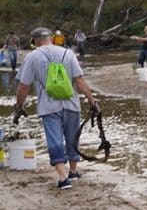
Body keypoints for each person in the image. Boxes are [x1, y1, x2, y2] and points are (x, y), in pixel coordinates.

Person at [13, 27, 100, 190]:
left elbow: (24, 86)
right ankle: (73, 171)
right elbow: (80, 81)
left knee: (55, 140)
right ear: (52, 38)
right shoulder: (68, 54)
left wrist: (19, 106)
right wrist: (92, 101)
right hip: (71, 103)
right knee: (73, 137)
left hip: (48, 106)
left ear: (35, 41)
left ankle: (63, 178)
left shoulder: (32, 57)